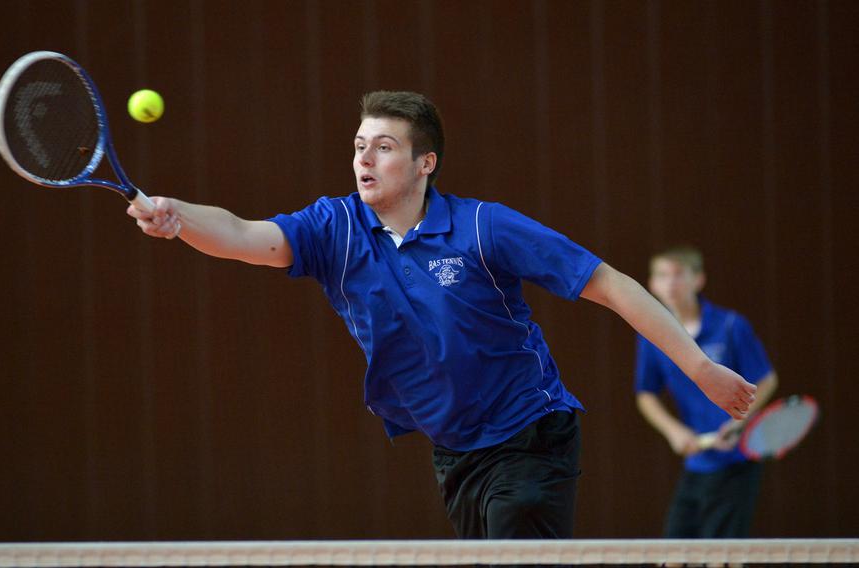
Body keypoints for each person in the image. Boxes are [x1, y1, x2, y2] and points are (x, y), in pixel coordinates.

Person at [128, 91, 756, 540]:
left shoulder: (485, 227)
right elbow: (240, 233)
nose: (364, 159)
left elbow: (613, 285)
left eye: (384, 147)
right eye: (358, 147)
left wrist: (699, 368)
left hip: (530, 439)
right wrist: (178, 216)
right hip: (453, 452)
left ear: (425, 163)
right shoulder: (335, 229)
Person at [635, 245, 778, 538]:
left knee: (723, 557)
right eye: (662, 275)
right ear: (651, 284)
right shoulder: (652, 335)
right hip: (697, 461)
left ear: (698, 279)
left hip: (736, 460)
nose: (670, 283)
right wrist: (673, 431)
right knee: (673, 554)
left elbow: (766, 380)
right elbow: (646, 394)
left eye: (678, 275)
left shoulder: (730, 326)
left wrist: (740, 422)